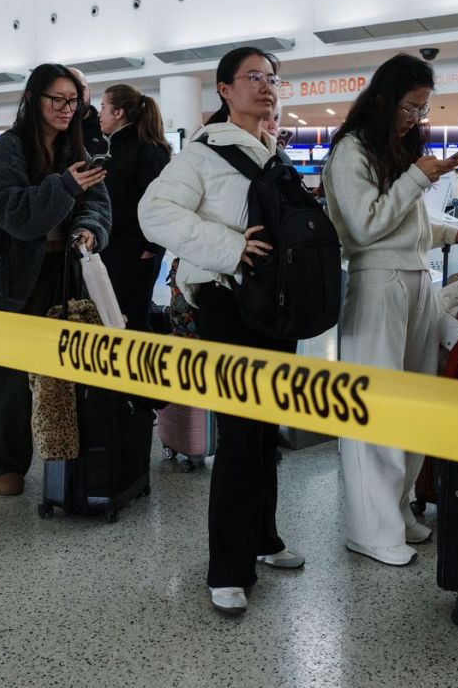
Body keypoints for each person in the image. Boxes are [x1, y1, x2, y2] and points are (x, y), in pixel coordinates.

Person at [139, 46, 306, 615]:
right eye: (252, 77)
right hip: (229, 304)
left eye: (272, 78)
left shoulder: (273, 153)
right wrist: (231, 249)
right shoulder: (204, 153)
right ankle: (227, 568)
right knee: (239, 435)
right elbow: (154, 213)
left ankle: (264, 539)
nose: (266, 86)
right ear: (224, 91)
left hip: (276, 309)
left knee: (266, 431)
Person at [321, 53, 458, 567]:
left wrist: (449, 232)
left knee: (414, 402)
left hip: (415, 282)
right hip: (376, 284)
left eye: (423, 109)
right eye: (411, 107)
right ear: (385, 99)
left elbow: (407, 225)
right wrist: (418, 177)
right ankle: (369, 527)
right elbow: (368, 227)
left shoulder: (396, 148)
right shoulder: (351, 151)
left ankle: (397, 509)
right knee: (377, 406)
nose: (416, 118)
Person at [0, 63, 111, 496]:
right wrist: (64, 187)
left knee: (68, 372)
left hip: (67, 274)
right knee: (10, 378)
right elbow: (15, 215)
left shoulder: (79, 147)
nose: (66, 108)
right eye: (57, 99)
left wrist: (89, 228)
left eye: (73, 100)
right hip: (20, 279)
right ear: (35, 99)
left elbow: (99, 202)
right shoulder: (10, 149)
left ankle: (72, 466)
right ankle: (1, 465)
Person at [96, 83, 171, 331]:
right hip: (115, 249)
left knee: (133, 319)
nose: (100, 114)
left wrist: (151, 249)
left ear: (118, 113)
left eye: (103, 107)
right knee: (116, 318)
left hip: (135, 252)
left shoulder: (148, 150)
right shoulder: (116, 148)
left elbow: (161, 203)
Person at [70, 67, 108, 156]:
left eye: (81, 88)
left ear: (89, 92)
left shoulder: (107, 126)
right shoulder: (53, 127)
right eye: (72, 89)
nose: (77, 94)